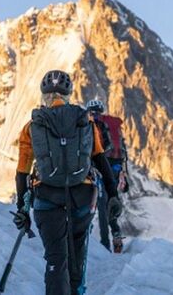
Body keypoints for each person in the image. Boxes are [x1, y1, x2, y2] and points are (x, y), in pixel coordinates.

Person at [12, 70, 120, 295]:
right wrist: (113, 195)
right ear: (69, 94)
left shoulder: (32, 127)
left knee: (56, 260)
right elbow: (100, 160)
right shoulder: (85, 122)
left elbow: (22, 172)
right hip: (82, 198)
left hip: (47, 200)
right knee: (76, 259)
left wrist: (22, 209)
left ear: (44, 95)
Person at [85, 99, 129, 253]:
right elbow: (119, 151)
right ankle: (115, 236)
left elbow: (101, 149)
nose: (94, 116)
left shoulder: (95, 127)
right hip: (113, 169)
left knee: (101, 205)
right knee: (108, 202)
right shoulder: (106, 126)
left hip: (101, 169)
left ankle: (104, 245)